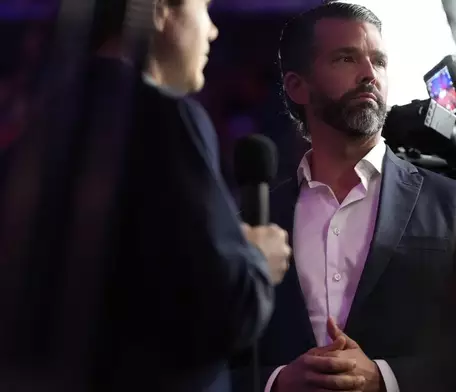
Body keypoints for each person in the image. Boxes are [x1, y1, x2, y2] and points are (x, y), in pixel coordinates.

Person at [229, 2, 456, 392]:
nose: (369, 75)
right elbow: (212, 359)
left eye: (379, 61)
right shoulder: (250, 220)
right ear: (296, 85)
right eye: (346, 58)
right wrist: (277, 382)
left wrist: (384, 379)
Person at [81, 0, 291, 390]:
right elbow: (225, 311)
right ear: (159, 10)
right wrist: (258, 259)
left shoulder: (51, 121)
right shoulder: (167, 119)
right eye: (204, 8)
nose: (212, 31)